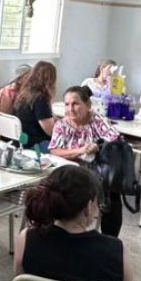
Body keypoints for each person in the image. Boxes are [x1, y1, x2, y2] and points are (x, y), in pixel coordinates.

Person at [48, 86, 125, 237]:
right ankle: (52, 235)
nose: (70, 109)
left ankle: (110, 239)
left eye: (75, 104)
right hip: (70, 171)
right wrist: (80, 150)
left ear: (88, 105)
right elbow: (54, 150)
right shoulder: (61, 125)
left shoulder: (97, 121)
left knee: (112, 193)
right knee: (52, 189)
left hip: (96, 171)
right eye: (67, 104)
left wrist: (99, 146)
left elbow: (115, 140)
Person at [12, 61, 57, 149]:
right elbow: (51, 132)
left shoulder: (25, 93)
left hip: (21, 141)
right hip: (34, 144)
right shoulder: (40, 98)